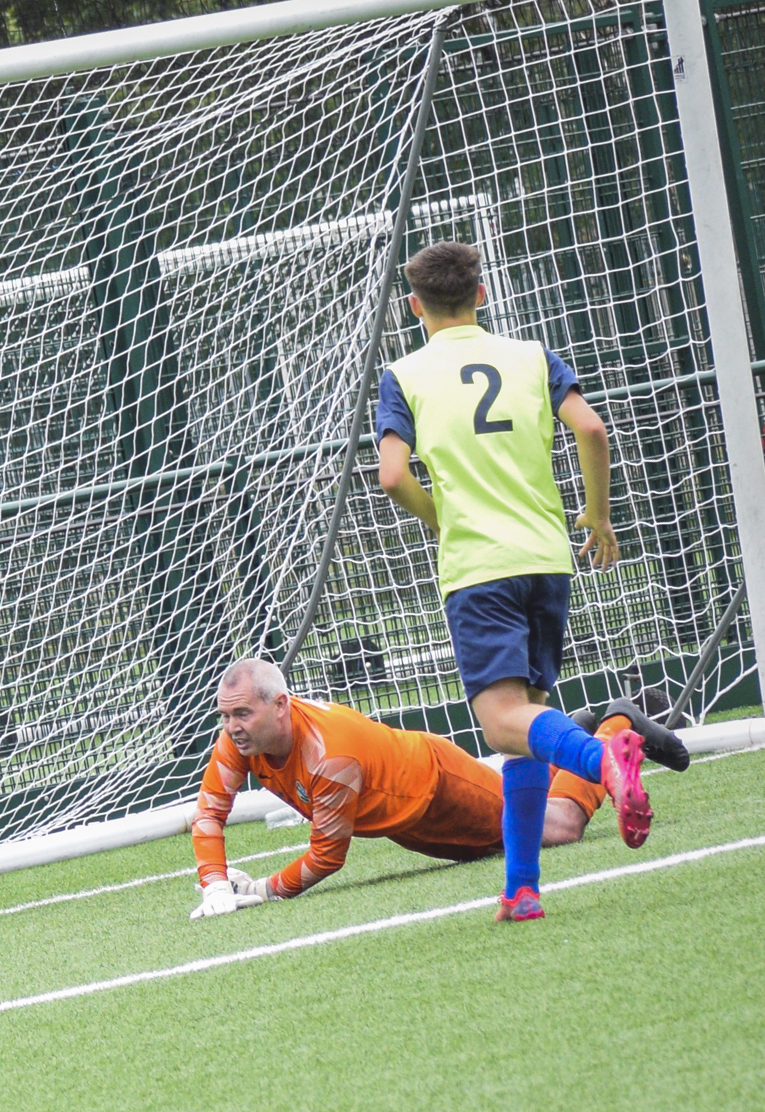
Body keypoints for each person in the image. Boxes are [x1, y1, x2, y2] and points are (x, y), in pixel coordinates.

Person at [373, 240, 664, 922]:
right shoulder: (532, 355)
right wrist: (597, 514)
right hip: (546, 557)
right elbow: (591, 428)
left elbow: (391, 475)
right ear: (481, 295)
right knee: (528, 717)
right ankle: (523, 887)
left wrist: (438, 518)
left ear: (414, 306)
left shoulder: (405, 373)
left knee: (502, 723)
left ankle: (605, 760)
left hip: (480, 567)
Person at [187, 659, 684, 919]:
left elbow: (326, 857)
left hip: (437, 788)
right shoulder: (240, 741)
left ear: (280, 706)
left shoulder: (328, 755)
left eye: (242, 713)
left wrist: (259, 890)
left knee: (557, 827)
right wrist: (214, 884)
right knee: (518, 824)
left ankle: (615, 726)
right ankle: (563, 742)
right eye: (225, 715)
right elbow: (208, 814)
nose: (231, 727)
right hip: (410, 819)